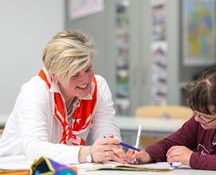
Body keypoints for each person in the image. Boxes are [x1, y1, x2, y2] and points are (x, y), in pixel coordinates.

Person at [0, 30, 126, 164]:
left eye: (88, 69)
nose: (85, 80)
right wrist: (88, 153)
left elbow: (107, 133)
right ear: (54, 75)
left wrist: (112, 150)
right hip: (16, 167)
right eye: (75, 75)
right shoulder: (34, 91)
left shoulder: (98, 86)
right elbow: (34, 150)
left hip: (64, 168)